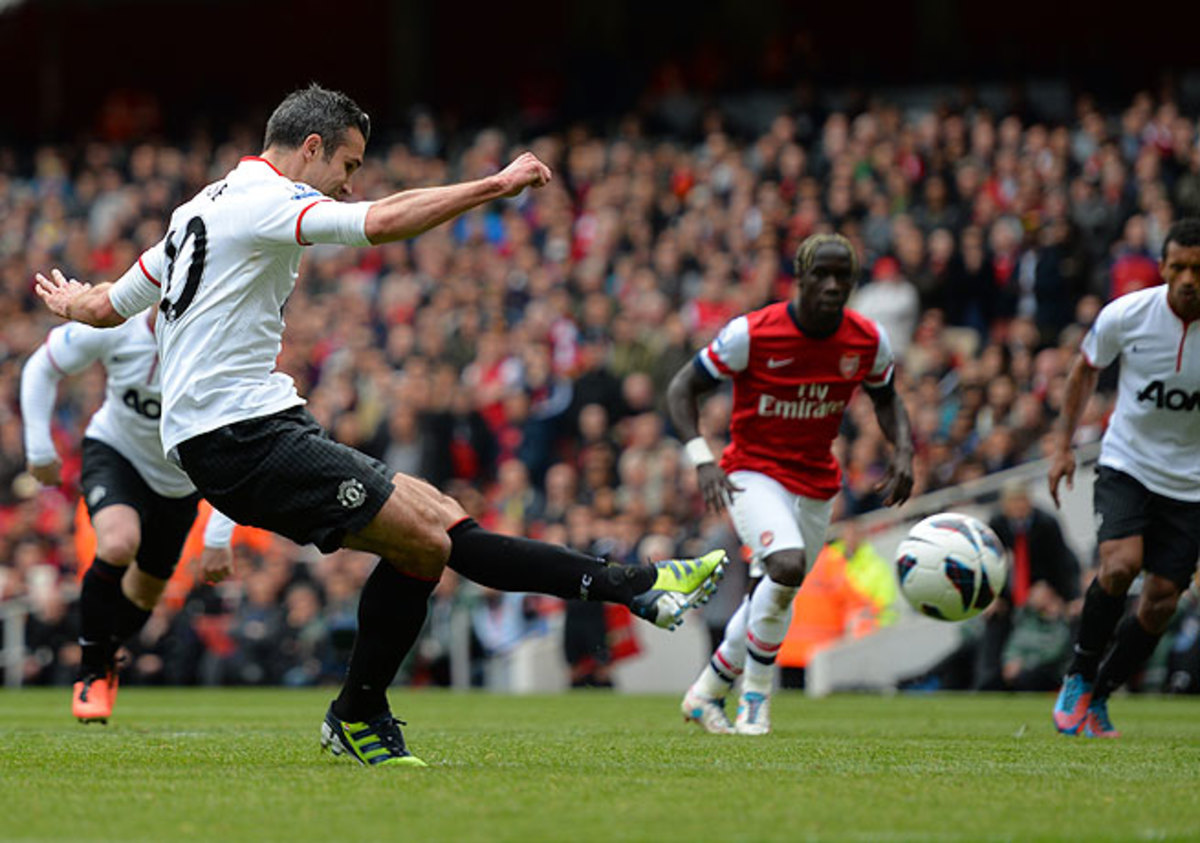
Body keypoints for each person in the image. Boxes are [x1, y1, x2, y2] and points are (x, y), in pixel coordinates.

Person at [34, 84, 727, 766]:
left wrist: (72, 302)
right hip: (239, 435)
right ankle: (363, 711)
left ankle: (637, 585)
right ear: (311, 147)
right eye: (348, 164)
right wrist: (494, 185)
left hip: (247, 427)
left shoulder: (198, 209)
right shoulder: (268, 200)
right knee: (427, 535)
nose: (348, 182)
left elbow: (109, 306)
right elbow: (383, 222)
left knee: (435, 529)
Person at [670, 232, 914, 735]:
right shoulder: (753, 333)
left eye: (842, 277)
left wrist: (905, 451)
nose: (832, 285)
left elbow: (886, 396)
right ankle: (756, 698)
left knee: (775, 593)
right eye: (821, 274)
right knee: (785, 565)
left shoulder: (867, 340)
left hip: (816, 482)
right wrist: (702, 459)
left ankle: (707, 691)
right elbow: (682, 388)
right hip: (751, 473)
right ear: (799, 278)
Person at [20, 312, 236, 723]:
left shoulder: (212, 344)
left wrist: (218, 535)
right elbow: (41, 366)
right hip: (115, 452)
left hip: (179, 482)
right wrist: (40, 449)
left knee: (145, 594)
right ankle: (91, 672)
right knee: (118, 543)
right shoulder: (116, 322)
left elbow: (237, 439)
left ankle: (106, 653)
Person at [1049, 217, 1200, 738]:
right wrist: (1062, 446)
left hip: (1191, 483)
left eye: (1198, 269)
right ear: (1162, 267)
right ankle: (1079, 673)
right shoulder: (1127, 314)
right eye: (1178, 267)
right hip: (1127, 462)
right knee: (1119, 567)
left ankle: (1101, 694)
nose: (1188, 279)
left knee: (1161, 601)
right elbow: (1085, 369)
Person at [974, 481, 1080, 690]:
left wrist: (1068, 597)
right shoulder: (998, 524)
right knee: (995, 618)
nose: (1019, 506)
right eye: (1013, 502)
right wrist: (991, 596)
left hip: (1046, 587)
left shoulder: (1046, 523)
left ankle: (1069, 678)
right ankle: (988, 681)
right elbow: (989, 561)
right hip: (1014, 588)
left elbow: (1063, 561)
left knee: (1072, 620)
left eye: (1022, 500)